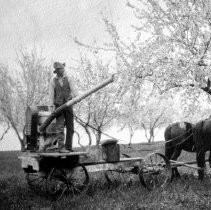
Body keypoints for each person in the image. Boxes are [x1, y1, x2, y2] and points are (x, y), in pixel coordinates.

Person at [49, 62, 78, 153]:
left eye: (63, 69)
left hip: (68, 105)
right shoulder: (53, 81)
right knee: (60, 127)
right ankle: (61, 148)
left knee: (70, 127)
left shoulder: (69, 79)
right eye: (61, 69)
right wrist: (52, 107)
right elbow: (51, 95)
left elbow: (75, 91)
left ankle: (68, 147)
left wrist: (74, 97)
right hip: (58, 107)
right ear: (57, 71)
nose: (63, 70)